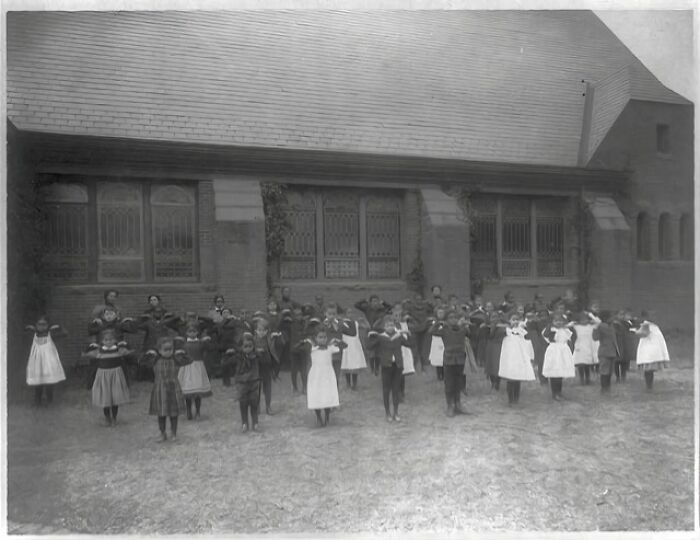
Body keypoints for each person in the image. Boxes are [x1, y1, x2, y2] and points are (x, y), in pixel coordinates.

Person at [82, 329, 133, 426]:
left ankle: (114, 418)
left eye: (110, 340)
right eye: (106, 340)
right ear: (102, 341)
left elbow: (129, 352)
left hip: (116, 376)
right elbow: (87, 355)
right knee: (105, 399)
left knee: (115, 399)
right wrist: (86, 352)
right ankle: (107, 418)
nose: (108, 342)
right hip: (103, 377)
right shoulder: (99, 351)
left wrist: (128, 350)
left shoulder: (118, 350)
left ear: (114, 340)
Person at [142, 337, 190, 442]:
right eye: (165, 350)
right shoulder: (155, 360)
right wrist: (148, 354)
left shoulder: (176, 359)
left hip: (173, 388)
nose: (168, 352)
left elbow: (189, 361)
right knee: (161, 413)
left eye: (170, 349)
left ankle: (174, 433)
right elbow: (142, 362)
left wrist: (182, 352)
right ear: (159, 350)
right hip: (160, 389)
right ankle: (162, 433)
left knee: (174, 413)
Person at [367, 316, 410, 423]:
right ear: (384, 327)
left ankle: (396, 412)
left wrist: (406, 334)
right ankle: (387, 413)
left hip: (398, 365)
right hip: (387, 366)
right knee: (386, 390)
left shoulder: (398, 336)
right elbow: (369, 346)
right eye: (388, 325)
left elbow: (409, 344)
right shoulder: (381, 337)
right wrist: (372, 336)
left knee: (396, 389)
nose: (390, 327)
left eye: (392, 325)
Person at [302, 328, 348, 427]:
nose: (322, 339)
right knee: (316, 395)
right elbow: (298, 347)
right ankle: (318, 417)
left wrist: (337, 340)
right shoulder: (312, 348)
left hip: (327, 374)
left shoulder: (330, 348)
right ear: (315, 338)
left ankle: (327, 416)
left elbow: (345, 346)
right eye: (320, 337)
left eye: (324, 337)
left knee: (327, 395)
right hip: (316, 375)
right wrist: (306, 341)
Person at [429, 310, 472, 417]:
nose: (453, 320)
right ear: (447, 320)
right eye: (451, 318)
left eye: (455, 318)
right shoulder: (444, 330)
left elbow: (470, 334)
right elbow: (431, 332)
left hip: (460, 358)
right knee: (449, 383)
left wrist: (465, 324)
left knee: (458, 383)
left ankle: (458, 404)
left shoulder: (462, 329)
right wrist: (439, 323)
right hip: (449, 359)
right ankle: (450, 405)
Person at [223, 333, 262, 432]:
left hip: (253, 383)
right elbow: (226, 363)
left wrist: (260, 352)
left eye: (250, 346)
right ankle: (244, 423)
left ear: (253, 346)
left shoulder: (256, 356)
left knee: (254, 403)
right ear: (241, 347)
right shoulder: (238, 357)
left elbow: (265, 362)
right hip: (242, 384)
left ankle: (255, 423)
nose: (248, 348)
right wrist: (228, 354)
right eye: (245, 346)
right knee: (243, 403)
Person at [25, 316, 67, 406]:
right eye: (39, 324)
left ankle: (49, 399)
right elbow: (23, 331)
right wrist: (31, 329)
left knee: (49, 381)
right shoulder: (33, 335)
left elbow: (64, 334)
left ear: (48, 325)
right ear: (36, 325)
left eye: (44, 324)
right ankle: (37, 400)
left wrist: (59, 327)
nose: (42, 326)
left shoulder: (51, 335)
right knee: (38, 381)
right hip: (37, 362)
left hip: (49, 362)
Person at [176, 323, 213, 420]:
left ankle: (197, 412)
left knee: (198, 391)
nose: (192, 333)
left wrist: (206, 340)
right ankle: (188, 411)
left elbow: (210, 349)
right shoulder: (183, 344)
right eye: (190, 331)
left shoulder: (201, 343)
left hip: (198, 368)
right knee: (188, 392)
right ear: (186, 333)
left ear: (197, 332)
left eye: (194, 331)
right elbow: (180, 355)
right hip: (187, 368)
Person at [498, 313, 536, 405]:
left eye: (517, 319)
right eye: (513, 319)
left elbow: (527, 339)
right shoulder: (506, 330)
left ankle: (516, 399)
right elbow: (498, 330)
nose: (515, 321)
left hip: (519, 357)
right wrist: (506, 325)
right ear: (509, 321)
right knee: (510, 378)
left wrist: (524, 326)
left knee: (517, 378)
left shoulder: (521, 331)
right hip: (509, 357)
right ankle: (510, 399)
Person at [135, 306, 178, 382]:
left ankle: (165, 376)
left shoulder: (166, 322)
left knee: (164, 360)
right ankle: (151, 378)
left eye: (160, 312)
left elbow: (177, 320)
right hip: (150, 344)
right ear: (152, 313)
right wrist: (141, 318)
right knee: (151, 361)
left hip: (163, 344)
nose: (158, 314)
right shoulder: (148, 323)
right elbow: (138, 326)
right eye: (156, 312)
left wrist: (171, 315)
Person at [211, 308, 251, 387]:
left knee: (241, 362)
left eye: (227, 312)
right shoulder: (220, 324)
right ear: (221, 315)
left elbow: (239, 334)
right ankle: (226, 382)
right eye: (224, 313)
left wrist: (234, 348)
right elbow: (218, 334)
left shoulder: (236, 322)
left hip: (235, 347)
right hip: (224, 348)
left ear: (231, 314)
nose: (226, 314)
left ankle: (241, 380)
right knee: (224, 363)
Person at [253, 318, 283, 415]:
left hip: (266, 367)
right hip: (257, 367)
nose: (261, 332)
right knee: (257, 388)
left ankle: (268, 407)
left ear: (267, 331)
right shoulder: (253, 340)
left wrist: (276, 337)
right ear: (256, 330)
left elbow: (275, 350)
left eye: (264, 330)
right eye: (259, 330)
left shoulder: (269, 340)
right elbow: (249, 352)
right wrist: (257, 351)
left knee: (267, 388)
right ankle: (257, 407)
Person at [542, 315, 576, 400]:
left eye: (561, 321)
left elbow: (569, 339)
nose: (559, 323)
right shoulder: (551, 330)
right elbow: (546, 335)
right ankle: (555, 393)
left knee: (560, 373)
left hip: (563, 352)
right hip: (554, 351)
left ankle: (559, 392)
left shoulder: (565, 330)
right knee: (554, 372)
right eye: (556, 321)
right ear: (552, 322)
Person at [321, 303, 357, 384]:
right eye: (329, 314)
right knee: (326, 375)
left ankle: (335, 393)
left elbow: (352, 333)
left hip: (337, 353)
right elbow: (317, 338)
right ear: (325, 314)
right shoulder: (322, 325)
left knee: (336, 376)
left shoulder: (340, 324)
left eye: (334, 314)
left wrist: (351, 321)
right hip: (325, 353)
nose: (331, 316)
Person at [634, 311, 670, 391]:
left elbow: (645, 334)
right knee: (649, 370)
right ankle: (649, 386)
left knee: (649, 370)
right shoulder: (650, 325)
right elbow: (646, 334)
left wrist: (635, 331)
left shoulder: (649, 325)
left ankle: (649, 386)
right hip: (652, 350)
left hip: (651, 350)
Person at [403, 293, 433, 371]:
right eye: (417, 299)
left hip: (425, 328)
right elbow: (405, 314)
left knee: (424, 349)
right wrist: (410, 319)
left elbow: (433, 312)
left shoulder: (426, 306)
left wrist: (429, 320)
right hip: (414, 329)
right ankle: (414, 366)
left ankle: (423, 366)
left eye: (420, 299)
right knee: (414, 349)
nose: (419, 301)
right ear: (414, 300)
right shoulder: (410, 307)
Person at [340, 307, 368, 391]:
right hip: (347, 345)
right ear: (345, 314)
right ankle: (348, 383)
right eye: (348, 313)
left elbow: (367, 327)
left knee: (355, 364)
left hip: (355, 346)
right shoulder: (342, 323)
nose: (350, 314)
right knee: (347, 363)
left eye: (352, 313)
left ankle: (354, 384)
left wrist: (363, 321)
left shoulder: (355, 323)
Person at [592, 310, 620, 394]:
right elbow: (595, 337)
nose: (612, 318)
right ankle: (604, 389)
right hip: (604, 352)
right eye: (610, 317)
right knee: (604, 371)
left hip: (612, 351)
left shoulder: (612, 326)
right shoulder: (600, 326)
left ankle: (608, 387)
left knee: (610, 371)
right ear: (605, 318)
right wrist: (595, 328)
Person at [572, 311, 600, 385]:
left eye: (586, 319)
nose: (584, 321)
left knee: (587, 364)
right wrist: (574, 322)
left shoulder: (591, 326)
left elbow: (598, 322)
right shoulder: (577, 327)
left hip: (588, 347)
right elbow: (568, 325)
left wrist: (590, 315)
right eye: (582, 319)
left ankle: (587, 379)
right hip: (580, 346)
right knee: (581, 364)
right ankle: (582, 379)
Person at [484, 311, 508, 391]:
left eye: (496, 316)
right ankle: (493, 383)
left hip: (499, 347)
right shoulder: (487, 326)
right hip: (490, 346)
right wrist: (492, 328)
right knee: (490, 365)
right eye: (493, 317)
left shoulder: (502, 326)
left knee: (497, 365)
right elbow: (489, 336)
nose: (494, 319)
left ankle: (497, 383)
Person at [428, 306, 447, 381]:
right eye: (439, 313)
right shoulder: (434, 322)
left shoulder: (447, 322)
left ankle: (445, 374)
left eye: (442, 313)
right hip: (436, 340)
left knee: (444, 358)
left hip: (444, 340)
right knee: (437, 359)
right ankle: (439, 375)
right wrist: (436, 324)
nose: (441, 314)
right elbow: (430, 331)